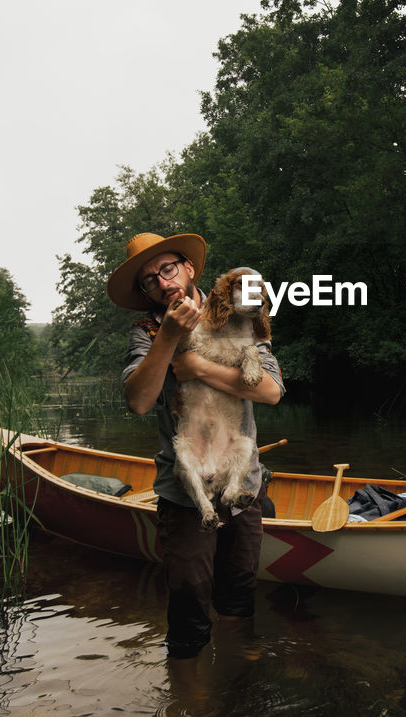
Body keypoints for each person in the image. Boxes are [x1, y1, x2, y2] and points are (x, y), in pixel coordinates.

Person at [107, 231, 284, 660]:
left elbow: (271, 390)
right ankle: (189, 695)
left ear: (188, 267)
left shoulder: (239, 310)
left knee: (240, 598)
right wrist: (167, 339)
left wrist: (196, 365)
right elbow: (139, 401)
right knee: (189, 607)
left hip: (242, 485)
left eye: (167, 269)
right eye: (150, 280)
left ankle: (236, 680)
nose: (163, 283)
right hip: (185, 493)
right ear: (146, 292)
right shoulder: (147, 331)